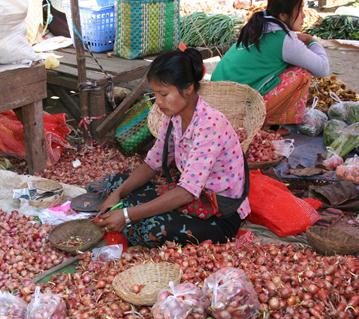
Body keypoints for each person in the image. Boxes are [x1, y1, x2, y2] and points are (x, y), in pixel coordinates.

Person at [96, 48, 250, 247]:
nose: (158, 102)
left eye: (163, 94)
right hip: (192, 197)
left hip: (219, 212)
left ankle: (129, 217)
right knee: (117, 183)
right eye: (155, 95)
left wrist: (126, 215)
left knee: (150, 228)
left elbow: (186, 192)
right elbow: (153, 163)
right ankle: (124, 207)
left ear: (188, 88)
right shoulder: (174, 116)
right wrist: (117, 194)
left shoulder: (210, 125)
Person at [211, 0, 330, 130]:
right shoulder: (284, 40)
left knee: (287, 65)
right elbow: (323, 69)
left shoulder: (259, 26)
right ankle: (264, 123)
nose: (304, 15)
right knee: (301, 74)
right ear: (283, 16)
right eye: (300, 10)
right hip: (237, 109)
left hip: (217, 99)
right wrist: (312, 41)